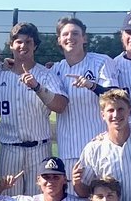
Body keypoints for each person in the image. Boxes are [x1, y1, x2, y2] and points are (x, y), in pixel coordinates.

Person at [0, 22, 63, 196]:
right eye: (18, 41)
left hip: (39, 149)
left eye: (28, 42)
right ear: (11, 45)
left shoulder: (46, 74)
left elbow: (61, 105)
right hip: (10, 149)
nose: (23, 46)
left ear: (35, 46)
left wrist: (37, 87)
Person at [48, 17, 116, 180]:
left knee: (104, 200)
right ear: (59, 40)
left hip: (100, 147)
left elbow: (114, 96)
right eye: (65, 34)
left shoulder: (102, 61)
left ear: (84, 38)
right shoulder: (55, 69)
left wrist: (91, 85)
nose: (70, 37)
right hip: (68, 150)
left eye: (75, 33)